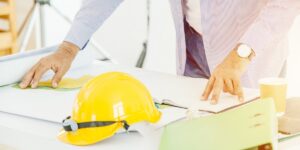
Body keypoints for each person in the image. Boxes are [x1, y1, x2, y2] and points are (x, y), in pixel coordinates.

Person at [19, 0, 300, 104]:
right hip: (194, 48)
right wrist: (69, 47)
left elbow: (285, 4)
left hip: (252, 53)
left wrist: (240, 55)